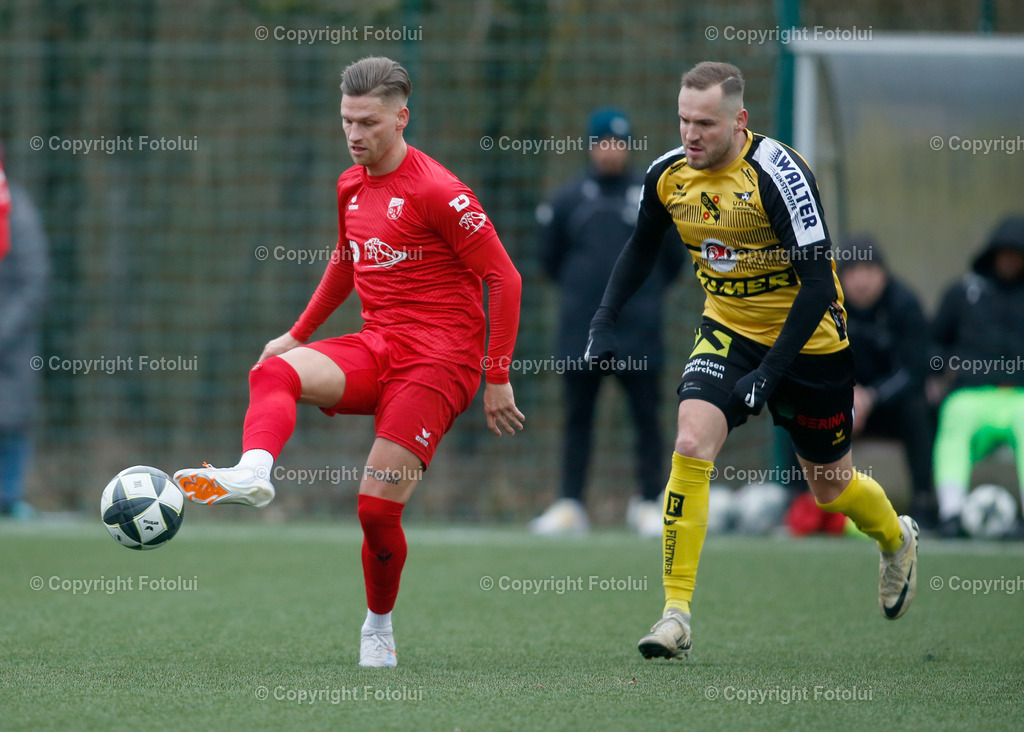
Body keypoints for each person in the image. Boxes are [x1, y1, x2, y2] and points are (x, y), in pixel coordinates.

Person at [174, 57, 525, 667]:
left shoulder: (440, 191)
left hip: (440, 363)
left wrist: (496, 376)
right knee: (272, 371)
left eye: (368, 122)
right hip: (379, 343)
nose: (355, 134)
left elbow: (506, 278)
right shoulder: (350, 185)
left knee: (374, 509)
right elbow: (345, 261)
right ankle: (254, 472)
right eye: (346, 121)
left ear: (401, 117)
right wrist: (296, 334)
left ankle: (378, 627)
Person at [585, 61, 919, 660]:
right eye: (684, 120)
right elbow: (640, 248)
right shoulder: (668, 176)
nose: (691, 134)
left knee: (831, 488)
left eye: (706, 124)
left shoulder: (780, 175)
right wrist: (603, 320)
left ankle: (897, 539)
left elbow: (818, 285)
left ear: (739, 121)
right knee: (690, 443)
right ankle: (675, 615)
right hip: (728, 332)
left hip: (810, 341)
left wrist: (770, 374)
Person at [530, 108, 682, 538]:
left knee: (647, 418)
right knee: (578, 417)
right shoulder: (567, 200)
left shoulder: (652, 196)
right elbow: (550, 261)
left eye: (619, 142)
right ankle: (570, 503)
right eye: (603, 142)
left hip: (640, 333)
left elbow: (672, 262)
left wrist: (640, 301)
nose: (611, 151)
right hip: (583, 333)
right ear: (591, 145)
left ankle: (650, 501)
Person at [779, 236, 938, 529]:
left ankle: (925, 503)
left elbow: (914, 371)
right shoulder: (825, 303)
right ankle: (795, 503)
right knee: (796, 405)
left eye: (870, 270)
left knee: (918, 409)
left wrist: (871, 397)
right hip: (841, 402)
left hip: (888, 407)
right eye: (853, 271)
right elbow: (809, 361)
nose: (862, 281)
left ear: (884, 274)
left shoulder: (904, 303)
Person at [931, 216, 1024, 537]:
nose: (1010, 259)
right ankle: (951, 514)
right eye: (1005, 252)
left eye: (1018, 253)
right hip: (972, 393)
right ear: (993, 253)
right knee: (955, 415)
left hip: (1019, 397)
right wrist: (941, 366)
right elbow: (933, 342)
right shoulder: (963, 292)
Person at [0, 165, 50, 519]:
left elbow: (34, 281)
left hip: (9, 344)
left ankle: (9, 497)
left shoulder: (16, 209)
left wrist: (3, 331)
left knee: (12, 417)